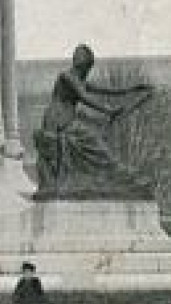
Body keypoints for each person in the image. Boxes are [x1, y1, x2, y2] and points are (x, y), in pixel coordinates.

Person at [34, 44, 153, 196]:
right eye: (77, 54)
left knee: (94, 143)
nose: (77, 56)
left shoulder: (80, 81)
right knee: (93, 142)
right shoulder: (66, 76)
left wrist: (134, 88)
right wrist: (108, 110)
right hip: (57, 122)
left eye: (80, 54)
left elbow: (110, 91)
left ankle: (117, 175)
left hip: (67, 122)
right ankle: (118, 174)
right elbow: (85, 98)